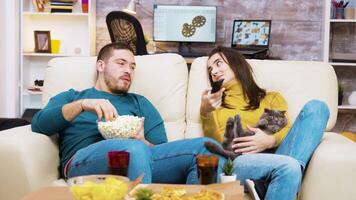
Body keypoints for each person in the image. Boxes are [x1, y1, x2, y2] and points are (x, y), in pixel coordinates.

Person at [31, 42, 223, 184]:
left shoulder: (140, 103)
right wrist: (83, 105)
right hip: (83, 164)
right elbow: (39, 124)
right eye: (121, 63)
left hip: (138, 156)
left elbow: (160, 149)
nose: (128, 71)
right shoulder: (74, 97)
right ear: (101, 65)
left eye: (132, 66)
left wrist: (144, 143)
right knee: (132, 149)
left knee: (209, 148)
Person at [200, 46, 330, 200]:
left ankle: (266, 184)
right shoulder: (214, 104)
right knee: (289, 166)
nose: (214, 72)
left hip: (277, 155)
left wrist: (270, 140)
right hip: (240, 161)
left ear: (236, 62)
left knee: (317, 108)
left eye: (218, 63)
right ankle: (283, 180)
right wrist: (205, 112)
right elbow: (217, 145)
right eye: (210, 69)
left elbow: (286, 129)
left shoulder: (271, 98)